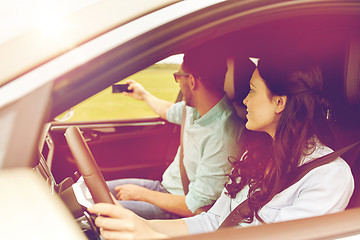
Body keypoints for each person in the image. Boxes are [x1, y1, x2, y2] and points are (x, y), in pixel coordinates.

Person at [88, 51, 354, 239]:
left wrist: (152, 236)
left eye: (251, 91)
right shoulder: (256, 155)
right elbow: (212, 221)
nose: (244, 101)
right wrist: (142, 225)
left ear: (279, 102)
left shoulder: (329, 176)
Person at [105, 46, 253, 219]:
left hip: (179, 208)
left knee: (99, 212)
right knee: (92, 191)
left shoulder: (225, 136)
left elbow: (195, 207)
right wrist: (143, 95)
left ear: (191, 81)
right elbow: (167, 110)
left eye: (178, 77)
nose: (179, 82)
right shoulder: (192, 110)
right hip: (163, 188)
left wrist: (140, 194)